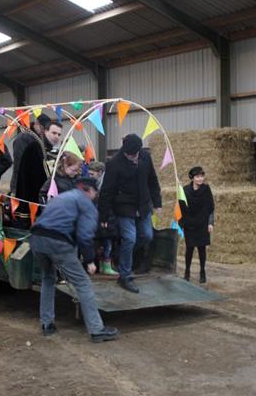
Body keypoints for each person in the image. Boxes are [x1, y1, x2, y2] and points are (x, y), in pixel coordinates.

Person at [30, 177, 119, 343]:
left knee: (48, 278)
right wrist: (90, 260)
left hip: (36, 239)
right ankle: (96, 330)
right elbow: (85, 235)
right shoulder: (86, 204)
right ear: (89, 190)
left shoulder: (61, 197)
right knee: (83, 283)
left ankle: (47, 323)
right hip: (58, 242)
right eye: (95, 192)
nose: (95, 196)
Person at [98, 134, 161, 293]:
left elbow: (153, 180)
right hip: (124, 207)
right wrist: (103, 215)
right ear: (124, 151)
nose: (133, 157)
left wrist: (157, 202)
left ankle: (119, 254)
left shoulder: (145, 157)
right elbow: (106, 191)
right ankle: (125, 276)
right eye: (129, 155)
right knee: (130, 238)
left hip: (143, 205)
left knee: (147, 236)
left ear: (139, 150)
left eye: (135, 154)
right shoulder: (114, 164)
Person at [179, 166, 215, 284]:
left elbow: (210, 207)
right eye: (197, 177)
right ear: (192, 178)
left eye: (202, 176)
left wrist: (210, 223)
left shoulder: (206, 189)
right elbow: (181, 207)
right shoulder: (185, 190)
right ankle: (187, 272)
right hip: (189, 224)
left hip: (202, 223)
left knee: (201, 249)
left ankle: (202, 272)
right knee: (189, 249)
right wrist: (181, 223)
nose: (200, 179)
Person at [14, 120, 63, 203]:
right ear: (45, 132)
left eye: (59, 134)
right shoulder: (35, 147)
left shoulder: (51, 150)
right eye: (54, 133)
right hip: (33, 196)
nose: (56, 137)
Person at [88, 162, 118, 276]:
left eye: (92, 174)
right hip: (97, 217)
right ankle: (102, 265)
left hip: (107, 218)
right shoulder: (92, 184)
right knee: (100, 243)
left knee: (108, 243)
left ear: (100, 172)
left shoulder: (107, 185)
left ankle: (107, 266)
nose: (90, 176)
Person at [10, 113, 51, 194]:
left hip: (37, 182)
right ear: (37, 124)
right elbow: (19, 163)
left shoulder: (42, 139)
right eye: (43, 128)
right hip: (22, 183)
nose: (44, 132)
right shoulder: (23, 139)